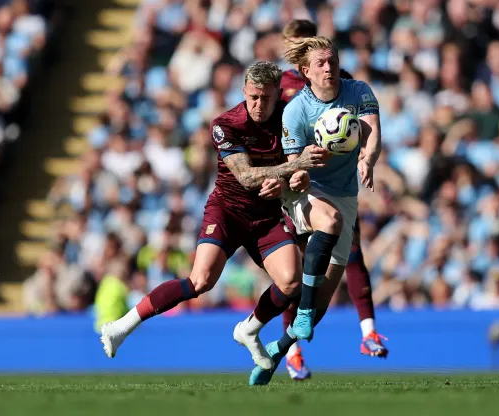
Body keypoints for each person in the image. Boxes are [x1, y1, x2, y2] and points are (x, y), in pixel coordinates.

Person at [99, 61, 329, 371]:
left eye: (266, 98)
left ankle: (249, 329)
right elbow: (246, 177)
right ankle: (120, 327)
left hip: (266, 216)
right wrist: (291, 168)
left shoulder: (291, 117)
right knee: (201, 280)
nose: (259, 105)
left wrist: (295, 177)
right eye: (253, 97)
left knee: (291, 282)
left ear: (279, 95)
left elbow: (297, 171)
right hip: (228, 212)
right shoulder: (226, 124)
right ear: (244, 92)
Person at [248, 36, 384, 385]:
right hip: (305, 193)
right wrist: (301, 172)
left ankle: (278, 351)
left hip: (345, 195)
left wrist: (367, 160)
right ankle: (302, 311)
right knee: (330, 220)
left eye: (333, 60)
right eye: (321, 63)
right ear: (305, 71)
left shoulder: (359, 92)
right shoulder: (296, 110)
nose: (329, 67)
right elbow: (294, 168)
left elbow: (372, 134)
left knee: (325, 297)